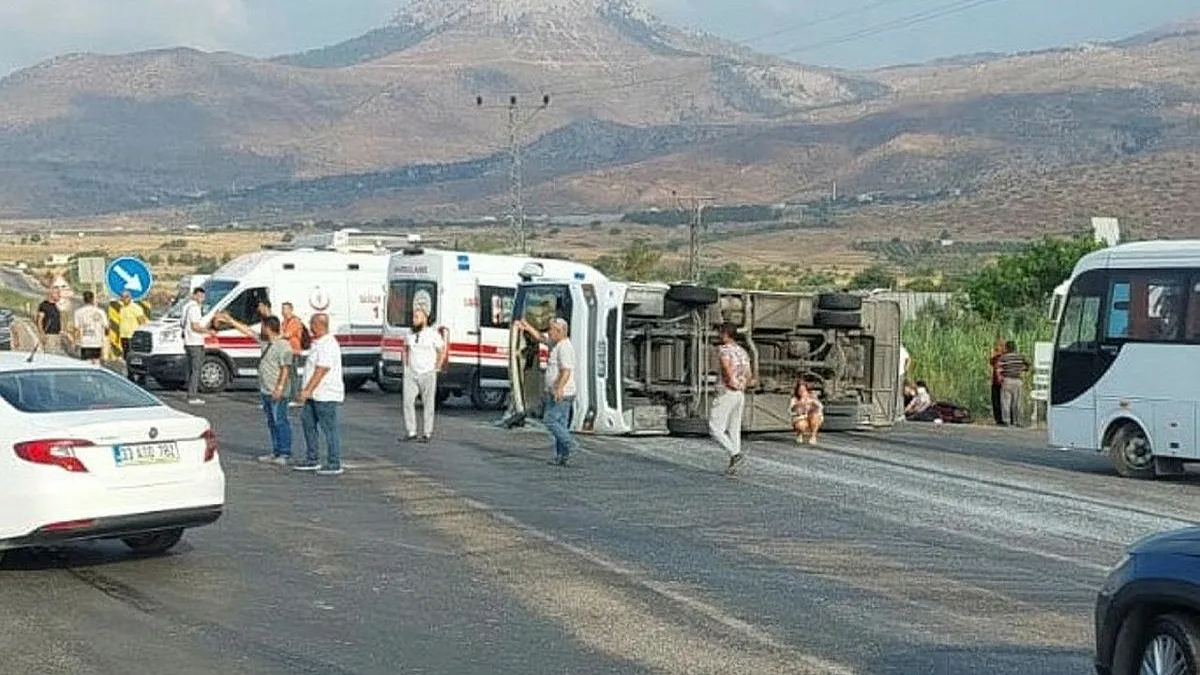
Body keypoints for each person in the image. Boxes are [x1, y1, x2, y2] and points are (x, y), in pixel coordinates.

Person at [220, 312, 294, 466]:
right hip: (266, 389)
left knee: (280, 420)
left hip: (277, 390)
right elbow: (248, 331)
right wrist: (231, 320)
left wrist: (279, 387)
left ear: (269, 328)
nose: (261, 330)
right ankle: (276, 451)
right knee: (271, 422)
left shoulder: (283, 345)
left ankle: (285, 452)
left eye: (263, 327)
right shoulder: (265, 342)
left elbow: (285, 369)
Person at [515, 316, 577, 466]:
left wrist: (558, 388)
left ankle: (570, 443)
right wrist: (527, 327)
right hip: (557, 391)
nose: (548, 332)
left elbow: (566, 371)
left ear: (560, 331)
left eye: (551, 329)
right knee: (560, 424)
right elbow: (541, 338)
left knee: (550, 420)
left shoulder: (564, 347)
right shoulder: (555, 343)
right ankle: (562, 457)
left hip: (562, 393)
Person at [293, 313, 345, 476]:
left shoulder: (328, 344)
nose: (310, 327)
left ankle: (334, 462)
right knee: (307, 422)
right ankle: (312, 458)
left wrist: (307, 389)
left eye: (312, 324)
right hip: (314, 395)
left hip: (325, 394)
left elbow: (321, 369)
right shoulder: (318, 343)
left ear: (319, 325)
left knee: (329, 429)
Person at [710, 323, 754, 474]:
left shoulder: (724, 350)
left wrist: (730, 383)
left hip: (727, 391)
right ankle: (734, 464)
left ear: (725, 334)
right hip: (740, 393)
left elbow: (726, 369)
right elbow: (749, 374)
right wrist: (742, 385)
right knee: (734, 429)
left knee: (715, 428)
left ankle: (735, 454)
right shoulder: (742, 351)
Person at [401, 308, 447, 442]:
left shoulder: (432, 334)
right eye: (413, 317)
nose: (414, 320)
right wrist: (406, 365)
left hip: (427, 372)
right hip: (412, 373)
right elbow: (405, 348)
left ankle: (427, 433)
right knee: (408, 402)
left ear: (424, 319)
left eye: (417, 317)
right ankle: (411, 431)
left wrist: (437, 365)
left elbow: (442, 349)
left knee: (428, 403)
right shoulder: (409, 333)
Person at [181, 287, 215, 406]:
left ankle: (190, 392)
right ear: (194, 295)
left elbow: (182, 324)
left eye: (203, 296)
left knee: (191, 369)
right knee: (196, 370)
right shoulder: (194, 308)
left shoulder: (186, 307)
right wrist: (208, 331)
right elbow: (195, 326)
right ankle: (192, 396)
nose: (202, 299)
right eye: (200, 296)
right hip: (195, 342)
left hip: (188, 342)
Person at [997, 340, 1030, 427]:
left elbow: (999, 369)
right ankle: (1017, 421)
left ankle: (1006, 420)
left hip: (1007, 380)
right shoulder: (1020, 356)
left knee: (1006, 402)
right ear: (1015, 348)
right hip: (1017, 380)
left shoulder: (1003, 357)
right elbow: (1028, 365)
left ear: (1007, 348)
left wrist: (1001, 378)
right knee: (1017, 402)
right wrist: (1022, 370)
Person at [73, 291, 108, 365]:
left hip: (85, 343)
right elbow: (106, 327)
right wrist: (105, 342)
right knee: (97, 363)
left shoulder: (78, 312)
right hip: (97, 342)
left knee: (86, 365)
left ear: (83, 299)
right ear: (92, 299)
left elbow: (76, 329)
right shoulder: (100, 312)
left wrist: (76, 342)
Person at [790, 379, 824, 445]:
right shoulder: (794, 399)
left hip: (812, 418)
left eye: (803, 390)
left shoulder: (812, 397)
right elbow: (792, 411)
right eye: (800, 390)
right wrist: (799, 405)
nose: (802, 392)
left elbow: (820, 408)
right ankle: (799, 434)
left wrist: (812, 403)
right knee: (801, 424)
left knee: (815, 415)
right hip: (801, 419)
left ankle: (813, 436)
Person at [36, 288, 63, 354]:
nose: (59, 295)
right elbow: (39, 321)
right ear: (51, 294)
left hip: (56, 335)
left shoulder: (55, 306)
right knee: (51, 355)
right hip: (49, 335)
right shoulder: (44, 305)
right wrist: (42, 334)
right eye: (57, 293)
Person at [988, 338, 1005, 425]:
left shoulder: (1003, 357)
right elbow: (991, 361)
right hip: (996, 382)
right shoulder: (996, 357)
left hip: (1001, 382)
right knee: (996, 401)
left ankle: (1001, 418)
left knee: (1000, 401)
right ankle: (998, 419)